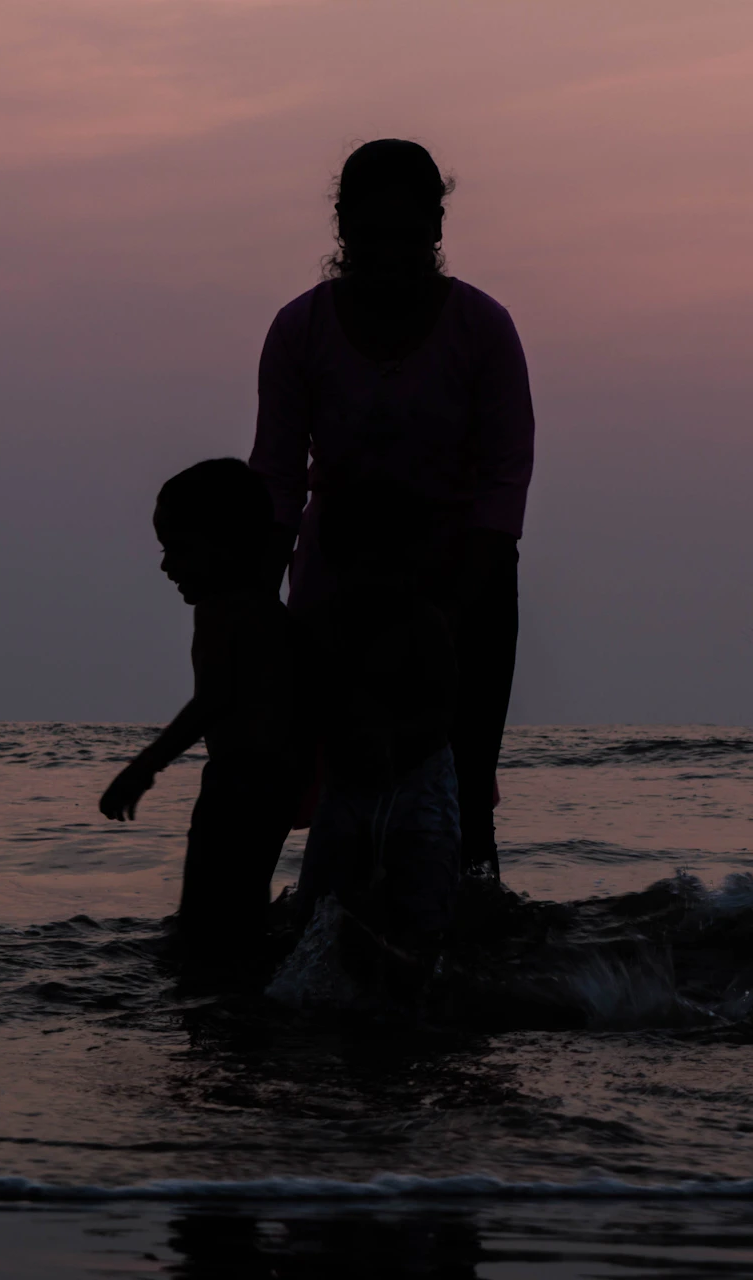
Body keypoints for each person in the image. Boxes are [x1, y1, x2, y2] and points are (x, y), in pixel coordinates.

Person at [249, 138, 533, 880]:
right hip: (334, 590)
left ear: (436, 228)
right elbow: (276, 479)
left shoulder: (483, 328)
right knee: (314, 778)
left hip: (466, 583)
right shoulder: (300, 330)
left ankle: (470, 923)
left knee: (462, 788)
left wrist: (452, 610)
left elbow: (504, 485)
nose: (389, 254)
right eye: (371, 234)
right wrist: (255, 611)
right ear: (343, 229)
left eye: (407, 234)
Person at [99, 459, 304, 977]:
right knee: (242, 914)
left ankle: (213, 1004)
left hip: (237, 785)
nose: (167, 565)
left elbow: (211, 702)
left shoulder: (222, 609)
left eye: (179, 549)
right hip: (277, 785)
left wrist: (143, 767)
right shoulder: (267, 610)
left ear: (228, 545)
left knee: (203, 927)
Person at [292, 469, 461, 1014]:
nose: (378, 581)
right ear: (337, 561)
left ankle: (414, 971)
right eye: (363, 565)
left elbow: (443, 713)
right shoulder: (325, 625)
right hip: (347, 787)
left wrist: (394, 740)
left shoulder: (424, 624)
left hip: (419, 786)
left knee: (424, 900)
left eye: (392, 565)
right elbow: (307, 706)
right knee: (320, 903)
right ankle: (340, 965)